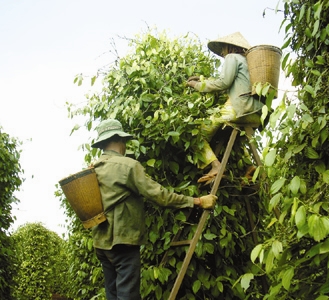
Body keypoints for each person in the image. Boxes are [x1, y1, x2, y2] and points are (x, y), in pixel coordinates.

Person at [90, 119, 217, 300]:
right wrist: (197, 201)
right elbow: (160, 196)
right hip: (123, 242)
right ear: (119, 140)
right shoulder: (128, 166)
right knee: (127, 296)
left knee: (113, 294)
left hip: (101, 244)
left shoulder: (92, 169)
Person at [187, 32, 265, 184]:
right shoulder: (250, 63)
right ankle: (249, 166)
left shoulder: (232, 57)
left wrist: (198, 85)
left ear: (230, 47)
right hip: (256, 113)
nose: (222, 53)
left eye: (223, 49)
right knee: (231, 135)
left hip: (239, 109)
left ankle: (215, 166)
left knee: (196, 134)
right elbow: (233, 83)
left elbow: (223, 83)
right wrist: (205, 80)